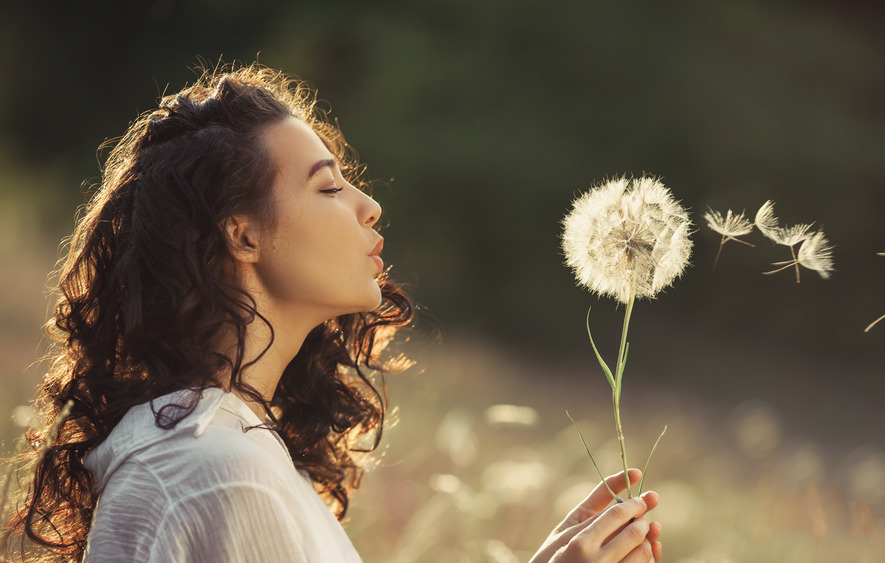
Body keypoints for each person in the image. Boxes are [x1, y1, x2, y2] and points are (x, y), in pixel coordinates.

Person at [1, 63, 662, 562]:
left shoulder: (220, 448)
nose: (368, 204)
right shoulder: (216, 472)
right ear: (244, 235)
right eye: (327, 185)